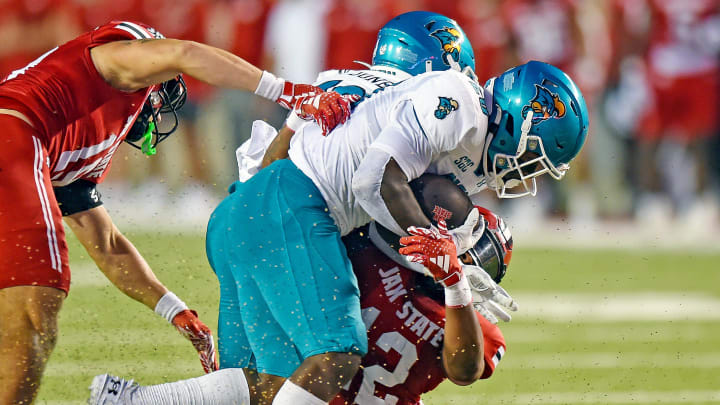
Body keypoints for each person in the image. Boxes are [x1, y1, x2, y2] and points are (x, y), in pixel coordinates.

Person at [206, 10, 586, 404]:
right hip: (296, 206)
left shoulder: (348, 83)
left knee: (252, 388)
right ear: (521, 122)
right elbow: (377, 180)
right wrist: (441, 260)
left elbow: (277, 161)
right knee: (334, 355)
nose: (527, 175)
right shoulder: (457, 100)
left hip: (247, 205)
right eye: (533, 158)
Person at [0, 20, 353, 405]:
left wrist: (174, 310)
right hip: (13, 136)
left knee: (26, 314)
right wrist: (287, 92)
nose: (159, 104)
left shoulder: (76, 136)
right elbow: (186, 53)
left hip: (20, 145)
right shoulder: (115, 59)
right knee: (34, 312)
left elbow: (107, 243)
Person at [88, 173, 517, 405]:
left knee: (270, 383)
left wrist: (454, 285)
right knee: (270, 380)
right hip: (312, 388)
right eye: (475, 251)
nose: (478, 265)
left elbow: (463, 370)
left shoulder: (472, 326)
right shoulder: (367, 250)